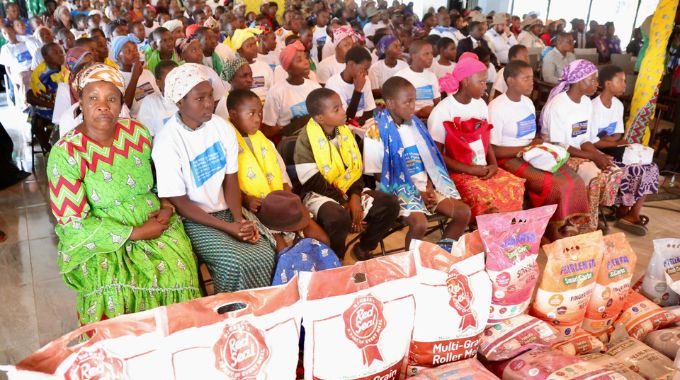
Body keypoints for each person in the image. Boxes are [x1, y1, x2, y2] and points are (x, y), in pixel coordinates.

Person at [47, 63, 200, 326]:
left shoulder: (137, 133)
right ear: (80, 103)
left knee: (179, 272)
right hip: (100, 236)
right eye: (93, 98)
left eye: (112, 98)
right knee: (114, 288)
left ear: (121, 104)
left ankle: (173, 349)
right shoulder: (65, 153)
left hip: (155, 221)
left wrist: (166, 205)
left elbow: (162, 176)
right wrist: (136, 232)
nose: (103, 106)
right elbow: (72, 222)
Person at [153, 63, 276, 293]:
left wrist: (238, 220)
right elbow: (180, 203)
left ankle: (257, 314)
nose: (209, 103)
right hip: (193, 218)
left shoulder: (221, 128)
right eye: (199, 99)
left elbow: (231, 179)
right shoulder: (167, 142)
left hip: (228, 209)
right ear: (180, 102)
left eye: (210, 96)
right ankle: (230, 316)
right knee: (233, 263)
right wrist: (228, 228)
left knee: (265, 252)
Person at [294, 88, 400, 260]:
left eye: (341, 106)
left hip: (348, 191)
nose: (344, 112)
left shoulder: (346, 132)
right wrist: (345, 202)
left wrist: (355, 197)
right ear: (320, 118)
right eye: (336, 109)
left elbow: (356, 168)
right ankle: (336, 258)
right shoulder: (306, 139)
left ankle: (364, 247)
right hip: (318, 195)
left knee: (390, 204)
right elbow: (312, 181)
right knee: (338, 217)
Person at [489, 60, 590, 240]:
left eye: (532, 78)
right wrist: (525, 148)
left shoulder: (527, 103)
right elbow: (494, 150)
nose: (532, 82)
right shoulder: (496, 108)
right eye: (526, 78)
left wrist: (535, 145)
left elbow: (530, 136)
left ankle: (569, 226)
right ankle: (549, 229)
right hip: (508, 158)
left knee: (574, 180)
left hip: (532, 153)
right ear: (510, 81)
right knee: (555, 186)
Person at [364, 77, 470, 247]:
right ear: (390, 103)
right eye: (407, 102)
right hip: (395, 189)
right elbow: (379, 175)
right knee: (420, 224)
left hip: (424, 187)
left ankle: (442, 253)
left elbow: (428, 162)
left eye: (414, 101)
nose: (413, 106)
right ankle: (414, 264)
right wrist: (415, 192)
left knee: (463, 212)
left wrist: (428, 186)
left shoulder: (416, 125)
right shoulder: (375, 130)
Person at [227, 89, 329, 251]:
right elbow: (225, 184)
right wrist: (245, 199)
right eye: (251, 114)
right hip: (254, 208)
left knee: (321, 238)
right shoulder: (225, 143)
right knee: (281, 249)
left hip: (279, 202)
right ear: (233, 115)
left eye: (260, 114)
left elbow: (282, 175)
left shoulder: (264, 141)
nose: (257, 120)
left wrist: (287, 199)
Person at [431, 54, 525, 219]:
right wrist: (469, 169)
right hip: (456, 171)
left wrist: (494, 165)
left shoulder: (480, 105)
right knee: (484, 195)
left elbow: (485, 141)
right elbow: (436, 155)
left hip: (481, 167)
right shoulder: (443, 111)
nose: (485, 87)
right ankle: (487, 235)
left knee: (514, 185)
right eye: (481, 82)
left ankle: (507, 235)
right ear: (466, 81)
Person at [541, 59, 623, 232]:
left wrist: (598, 155)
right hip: (556, 154)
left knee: (614, 170)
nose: (596, 84)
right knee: (593, 175)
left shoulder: (586, 103)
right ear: (579, 81)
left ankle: (589, 214)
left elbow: (585, 138)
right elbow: (560, 145)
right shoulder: (558, 105)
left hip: (578, 152)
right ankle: (585, 223)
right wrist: (593, 157)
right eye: (592, 79)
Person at [590, 65, 659, 235]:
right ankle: (623, 209)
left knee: (650, 167)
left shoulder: (618, 105)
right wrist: (612, 141)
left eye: (625, 81)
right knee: (634, 168)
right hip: (595, 152)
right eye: (620, 80)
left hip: (612, 147)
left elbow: (618, 135)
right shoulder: (593, 107)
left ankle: (632, 213)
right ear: (607, 83)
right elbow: (592, 142)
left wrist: (609, 140)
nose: (624, 84)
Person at [262, 41, 321, 139]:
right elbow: (268, 130)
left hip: (317, 138)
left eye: (306, 58)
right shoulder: (276, 92)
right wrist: (292, 126)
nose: (306, 62)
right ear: (288, 67)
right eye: (299, 60)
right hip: (291, 142)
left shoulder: (315, 87)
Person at [27, 42, 67, 152]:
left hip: (61, 109)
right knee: (36, 126)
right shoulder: (40, 73)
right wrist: (47, 103)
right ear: (46, 57)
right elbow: (30, 95)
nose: (60, 54)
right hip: (43, 108)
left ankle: (56, 146)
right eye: (55, 53)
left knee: (55, 126)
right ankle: (47, 148)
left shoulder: (66, 69)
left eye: (61, 52)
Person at [112, 34, 160, 118]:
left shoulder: (147, 73)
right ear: (117, 58)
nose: (134, 53)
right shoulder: (116, 80)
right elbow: (124, 109)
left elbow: (158, 97)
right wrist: (134, 76)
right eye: (128, 51)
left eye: (135, 49)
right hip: (139, 124)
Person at [325, 46, 376, 123]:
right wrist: (357, 90)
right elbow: (346, 118)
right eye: (364, 69)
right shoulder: (333, 84)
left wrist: (362, 127)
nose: (366, 73)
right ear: (351, 64)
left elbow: (369, 110)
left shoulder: (365, 79)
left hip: (361, 125)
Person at [395, 40, 440, 119]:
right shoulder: (401, 77)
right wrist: (419, 113)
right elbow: (397, 108)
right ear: (414, 56)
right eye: (426, 54)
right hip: (410, 120)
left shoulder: (431, 76)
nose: (431, 57)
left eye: (431, 53)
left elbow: (437, 102)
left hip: (431, 118)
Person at [229, 28, 272, 102]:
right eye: (249, 46)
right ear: (239, 50)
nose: (255, 48)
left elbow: (272, 90)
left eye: (255, 43)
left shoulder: (265, 66)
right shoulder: (233, 68)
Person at [137, 60, 179, 136]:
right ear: (158, 82)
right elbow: (147, 136)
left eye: (178, 78)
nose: (175, 83)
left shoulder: (188, 98)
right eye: (169, 80)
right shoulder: (150, 102)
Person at [0, 24, 33, 111]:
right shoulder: (5, 48)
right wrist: (12, 80)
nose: (8, 35)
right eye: (5, 33)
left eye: (9, 32)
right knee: (24, 78)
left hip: (32, 68)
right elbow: (8, 68)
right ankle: (27, 104)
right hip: (19, 72)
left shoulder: (25, 43)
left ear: (14, 32)